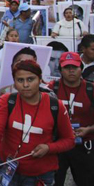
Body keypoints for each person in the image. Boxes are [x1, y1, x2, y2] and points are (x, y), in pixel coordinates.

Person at [0, 60, 75, 185]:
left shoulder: (55, 106)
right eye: (20, 80)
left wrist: (49, 148)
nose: (25, 85)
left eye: (30, 79)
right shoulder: (7, 101)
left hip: (41, 176)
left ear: (40, 80)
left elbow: (69, 140)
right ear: (15, 83)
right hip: (7, 171)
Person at [47, 52, 94, 186]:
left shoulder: (91, 89)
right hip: (58, 144)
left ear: (81, 68)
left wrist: (89, 129)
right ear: (61, 69)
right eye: (67, 67)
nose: (71, 70)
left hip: (84, 144)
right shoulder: (51, 88)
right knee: (54, 182)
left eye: (75, 67)